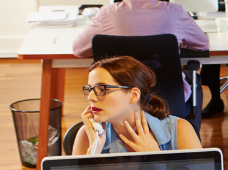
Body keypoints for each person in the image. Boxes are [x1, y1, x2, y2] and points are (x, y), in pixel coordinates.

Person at [72, 0, 209, 103]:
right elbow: (202, 43)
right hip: (167, 99)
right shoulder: (175, 12)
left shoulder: (107, 13)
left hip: (119, 99)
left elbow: (79, 50)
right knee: (193, 78)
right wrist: (179, 42)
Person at [73, 56, 202, 156]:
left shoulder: (180, 131)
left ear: (134, 95)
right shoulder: (87, 135)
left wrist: (156, 158)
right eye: (90, 89)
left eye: (102, 89)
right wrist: (93, 152)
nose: (91, 97)